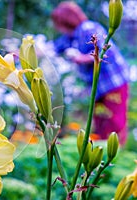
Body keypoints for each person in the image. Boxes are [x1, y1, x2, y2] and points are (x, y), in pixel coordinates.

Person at [51, 1, 129, 145]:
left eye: (58, 23)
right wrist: (23, 52)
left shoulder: (89, 28)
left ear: (66, 20)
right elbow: (52, 48)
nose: (58, 28)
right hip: (98, 87)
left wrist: (80, 58)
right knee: (100, 123)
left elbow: (106, 52)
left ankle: (116, 154)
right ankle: (104, 156)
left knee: (114, 123)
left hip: (113, 82)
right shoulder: (71, 36)